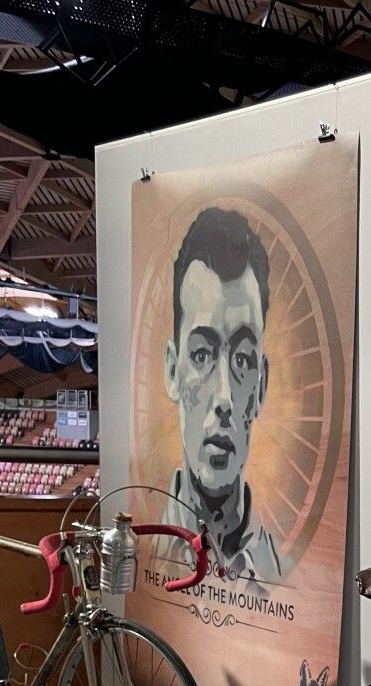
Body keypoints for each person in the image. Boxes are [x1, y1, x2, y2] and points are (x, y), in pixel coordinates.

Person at [159, 206, 284, 582]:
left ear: (260, 386)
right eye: (201, 355)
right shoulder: (146, 554)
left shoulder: (278, 575)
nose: (224, 397)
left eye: (243, 360)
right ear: (173, 371)